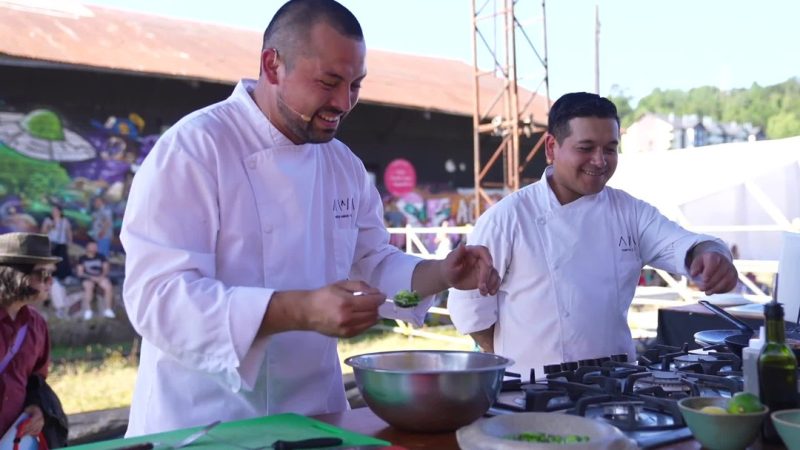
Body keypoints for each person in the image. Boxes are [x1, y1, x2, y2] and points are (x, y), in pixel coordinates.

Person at [119, 0, 500, 436]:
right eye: (329, 82)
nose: (344, 102)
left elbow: (373, 264)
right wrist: (299, 309)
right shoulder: (195, 148)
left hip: (314, 420)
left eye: (356, 84)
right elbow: (159, 298)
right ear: (272, 64)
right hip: (202, 421)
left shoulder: (344, 166)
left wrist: (440, 273)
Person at [448, 92, 738, 380]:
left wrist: (712, 254)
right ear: (551, 147)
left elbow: (686, 244)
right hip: (530, 392)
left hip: (618, 386)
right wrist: (519, 363)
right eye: (586, 147)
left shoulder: (629, 212)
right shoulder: (508, 217)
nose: (599, 161)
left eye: (610, 149)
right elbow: (471, 311)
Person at [0, 233, 57, 441]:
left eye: (51, 274)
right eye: (43, 274)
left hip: (11, 439)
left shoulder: (37, 324)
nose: (50, 282)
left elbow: (36, 379)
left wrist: (37, 406)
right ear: (15, 275)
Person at [40, 204, 73, 319]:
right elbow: (43, 232)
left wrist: (70, 241)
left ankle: (63, 277)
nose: (54, 212)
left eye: (56, 210)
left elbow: (68, 231)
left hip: (61, 243)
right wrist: (49, 227)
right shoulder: (47, 220)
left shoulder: (65, 221)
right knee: (51, 262)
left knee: (62, 261)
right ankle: (52, 276)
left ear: (60, 211)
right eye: (52, 210)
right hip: (50, 243)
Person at [76, 240, 115, 320]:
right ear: (87, 247)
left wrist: (101, 277)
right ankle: (88, 310)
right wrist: (92, 278)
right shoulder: (82, 258)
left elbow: (106, 269)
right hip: (87, 277)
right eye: (92, 246)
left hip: (100, 277)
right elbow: (80, 273)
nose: (94, 248)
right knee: (88, 287)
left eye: (95, 246)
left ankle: (108, 309)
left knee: (108, 286)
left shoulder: (101, 256)